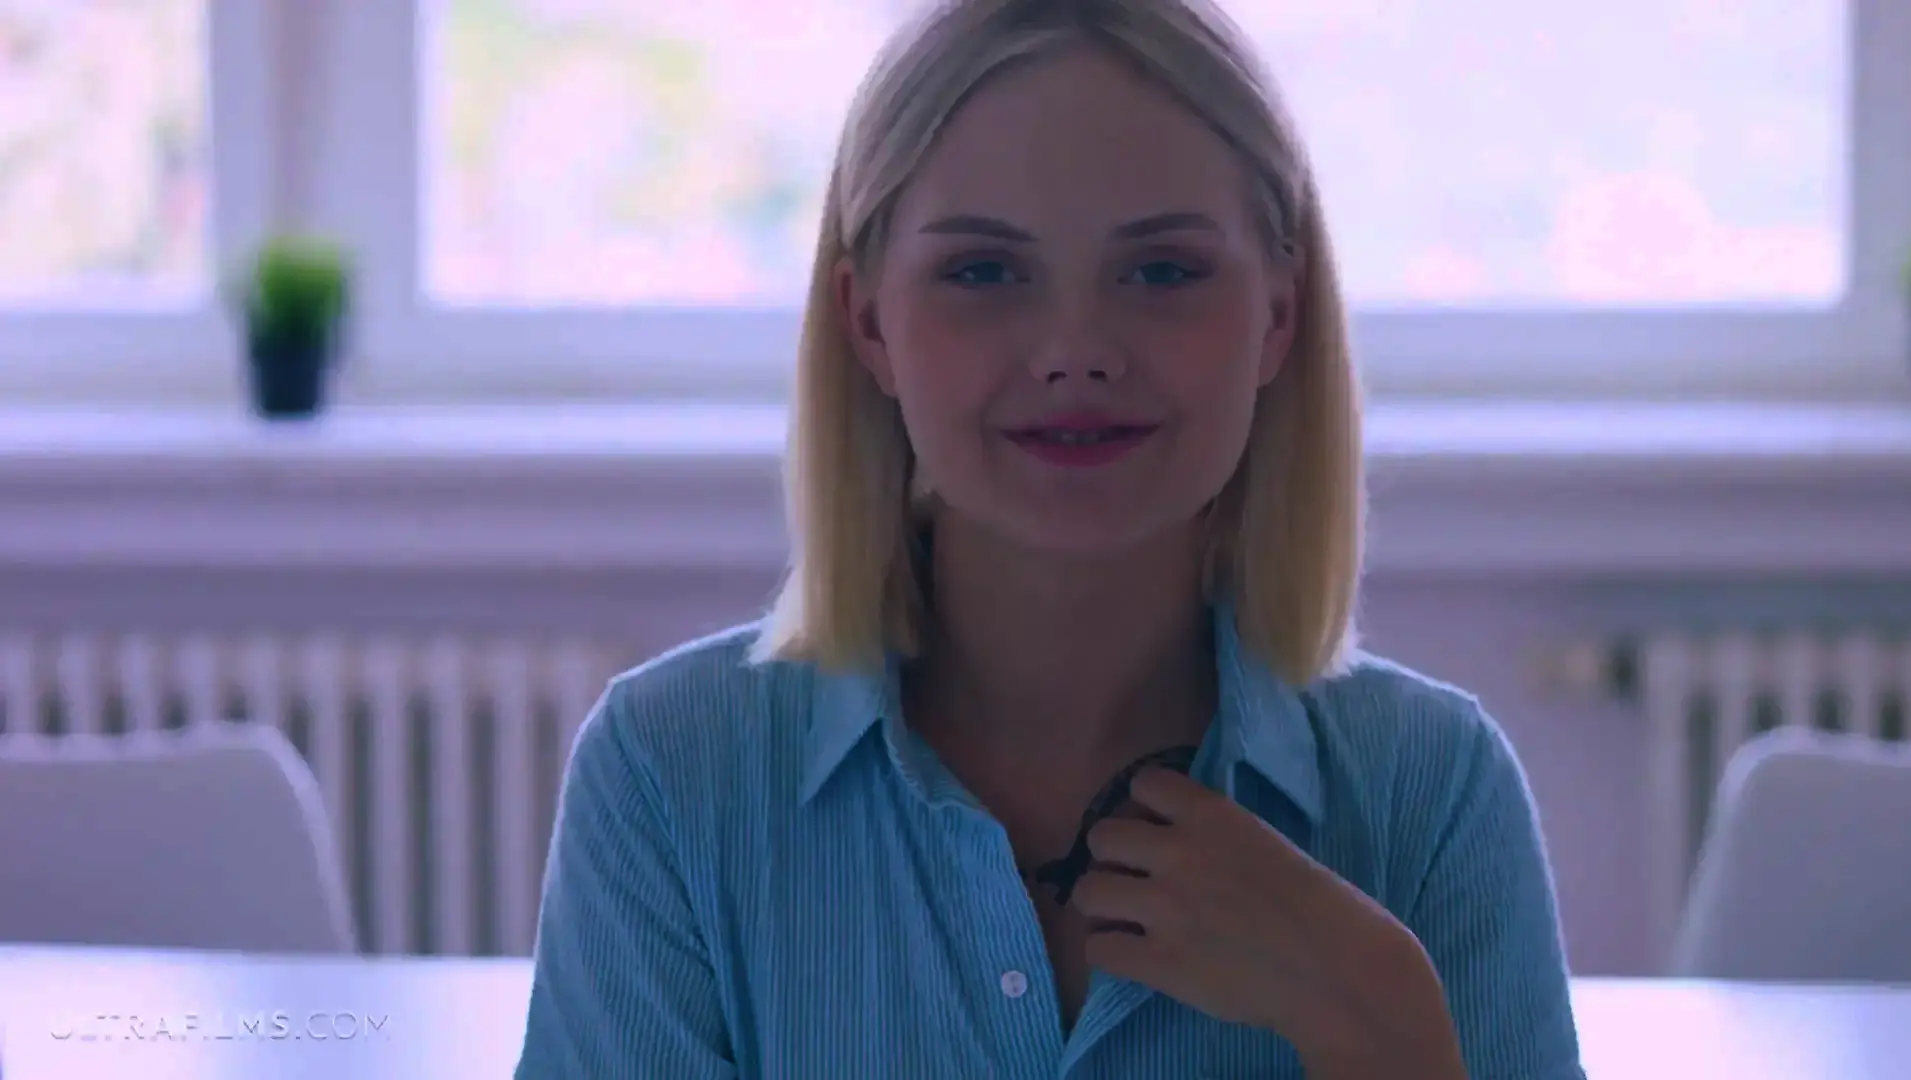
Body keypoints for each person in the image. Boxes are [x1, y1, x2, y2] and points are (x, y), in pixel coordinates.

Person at [515, 0, 1586, 1077]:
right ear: (868, 321)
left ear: (1279, 315)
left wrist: (1372, 1012)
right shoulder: (672, 777)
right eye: (984, 272)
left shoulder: (1431, 793)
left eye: (1162, 271)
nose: (1077, 350)